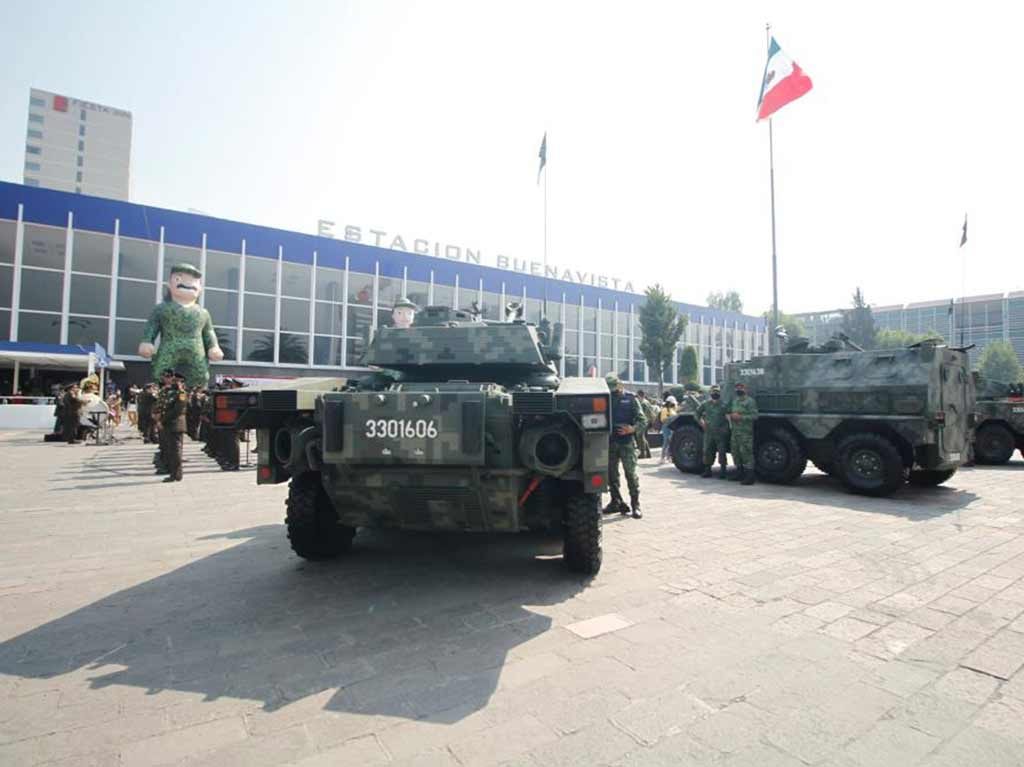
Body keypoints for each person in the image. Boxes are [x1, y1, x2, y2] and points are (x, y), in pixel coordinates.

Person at [603, 373, 646, 519]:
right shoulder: (606, 398)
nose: (613, 391)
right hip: (611, 442)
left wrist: (632, 429)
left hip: (627, 442)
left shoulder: (631, 399)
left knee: (631, 474)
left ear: (620, 385)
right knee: (611, 475)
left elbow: (643, 420)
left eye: (615, 388)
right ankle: (616, 501)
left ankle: (636, 504)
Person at [158, 371, 188, 482]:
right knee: (171, 450)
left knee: (175, 451)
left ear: (181, 382)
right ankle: (174, 473)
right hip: (168, 424)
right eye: (173, 380)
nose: (174, 382)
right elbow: (164, 407)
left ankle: (176, 474)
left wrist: (163, 420)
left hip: (175, 424)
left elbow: (177, 410)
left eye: (176, 381)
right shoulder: (170, 392)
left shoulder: (181, 393)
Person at [728, 382, 759, 485]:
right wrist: (730, 415)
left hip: (745, 432)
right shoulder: (735, 401)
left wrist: (741, 417)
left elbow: (755, 416)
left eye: (741, 387)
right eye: (737, 388)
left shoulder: (750, 401)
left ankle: (750, 476)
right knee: (735, 452)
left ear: (745, 389)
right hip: (735, 431)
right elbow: (731, 411)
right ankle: (739, 473)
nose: (739, 389)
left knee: (746, 453)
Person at [697, 385, 730, 479]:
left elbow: (729, 418)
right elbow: (697, 413)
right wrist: (701, 422)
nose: (715, 394)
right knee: (707, 451)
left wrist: (726, 429)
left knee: (722, 451)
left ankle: (723, 471)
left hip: (720, 433)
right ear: (710, 393)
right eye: (713, 392)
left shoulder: (724, 405)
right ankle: (707, 470)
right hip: (709, 432)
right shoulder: (705, 404)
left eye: (717, 392)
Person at [633, 390, 655, 459]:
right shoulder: (647, 402)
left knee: (640, 438)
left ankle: (642, 454)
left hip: (642, 422)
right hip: (647, 422)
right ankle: (648, 454)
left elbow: (641, 414)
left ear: (639, 395)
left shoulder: (642, 403)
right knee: (643, 438)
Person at [658, 395, 678, 463]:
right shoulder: (664, 409)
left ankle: (669, 457)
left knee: (671, 442)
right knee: (666, 441)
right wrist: (671, 419)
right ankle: (662, 458)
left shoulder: (673, 409)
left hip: (672, 427)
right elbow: (663, 419)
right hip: (666, 427)